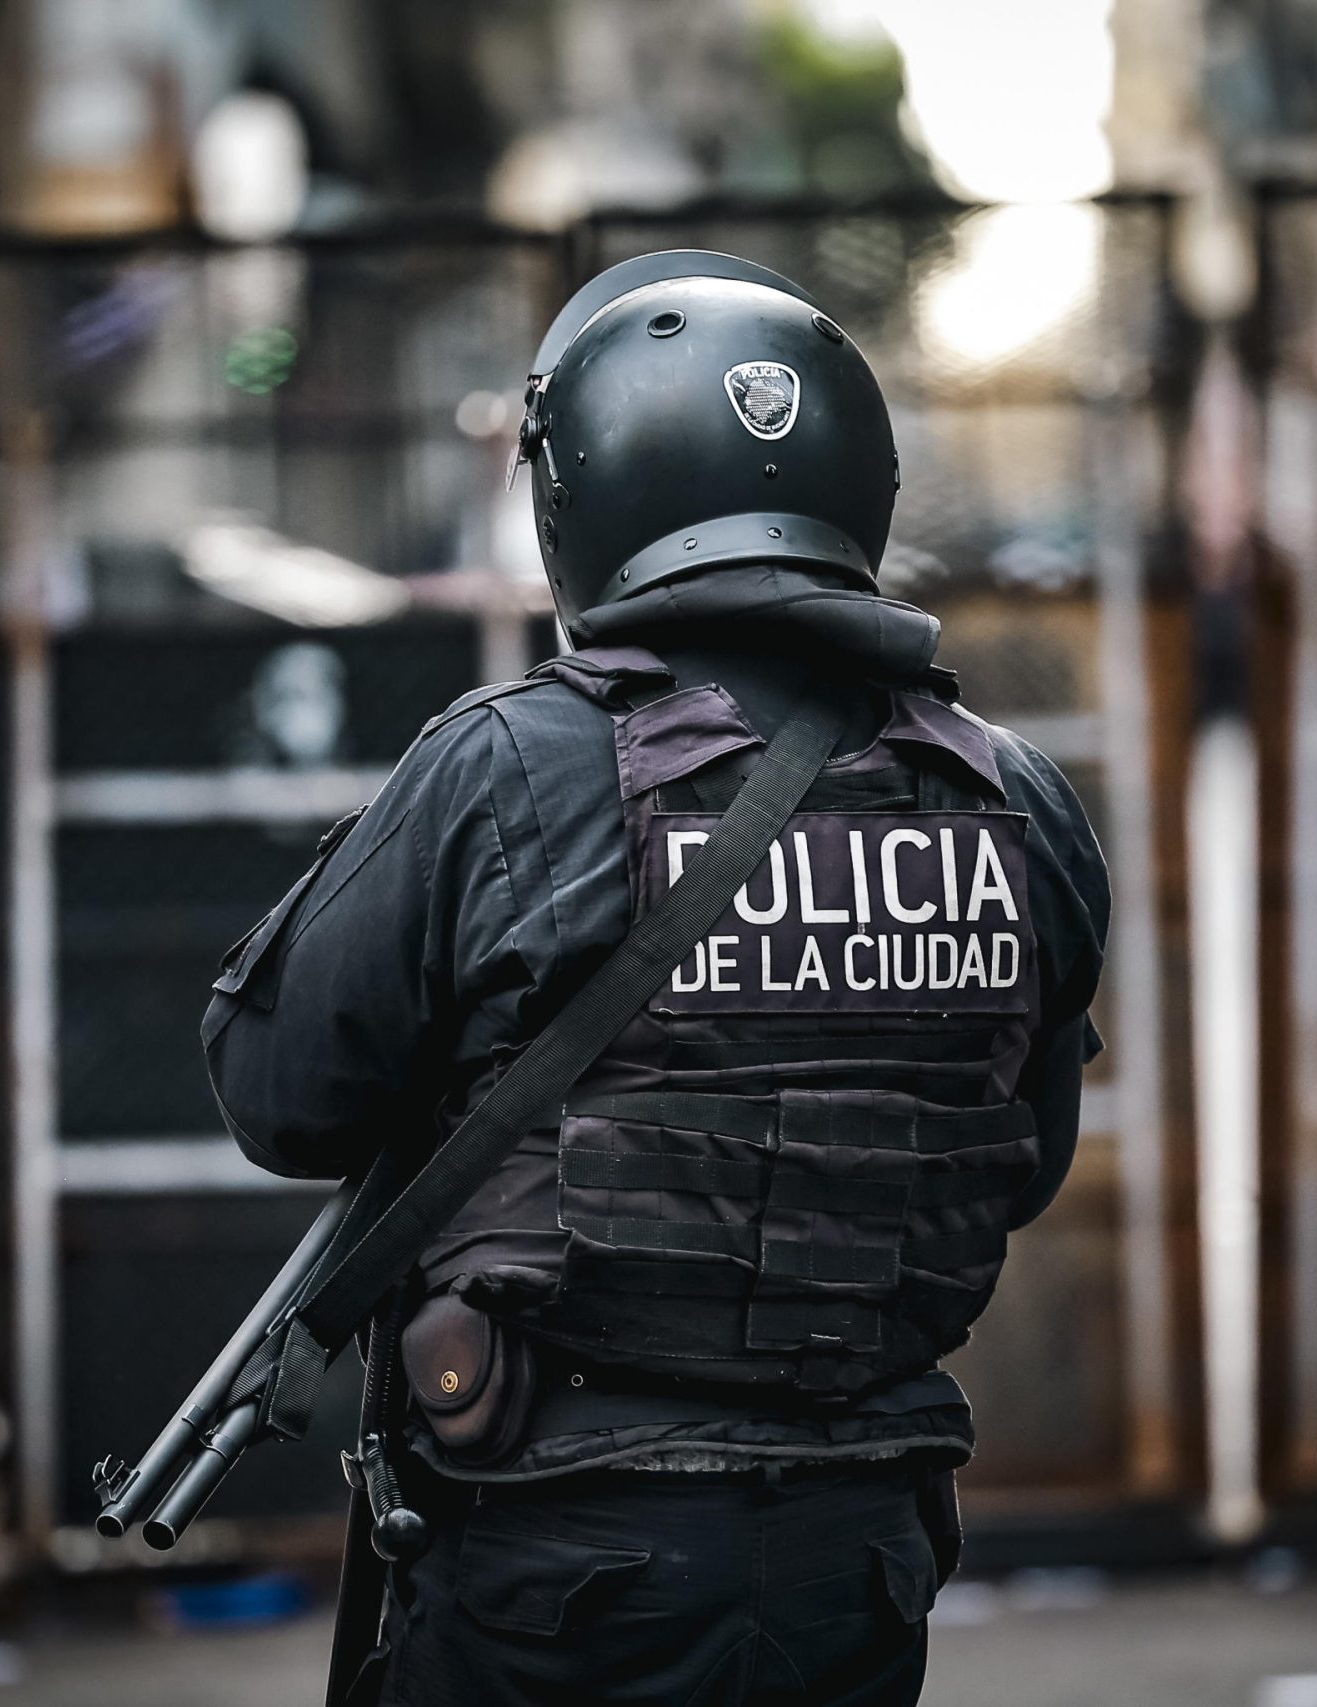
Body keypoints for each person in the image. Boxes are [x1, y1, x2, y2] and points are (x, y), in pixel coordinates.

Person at [205, 250, 1109, 1706]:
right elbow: (1025, 1160)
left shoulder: (508, 765)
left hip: (559, 1563)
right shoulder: (1018, 800)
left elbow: (279, 1097)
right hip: (861, 1558)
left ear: (582, 499)